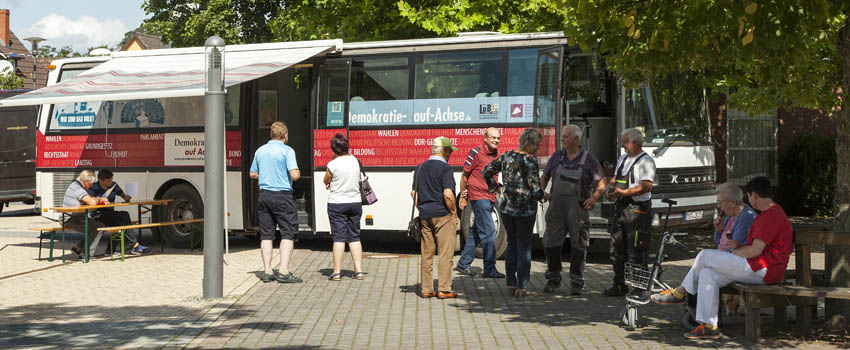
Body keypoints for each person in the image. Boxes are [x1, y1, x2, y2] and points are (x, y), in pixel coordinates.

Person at [651, 176, 793, 339]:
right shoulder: (768, 214)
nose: (748, 199)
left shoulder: (770, 215)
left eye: (748, 196)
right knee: (707, 274)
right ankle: (709, 325)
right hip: (758, 267)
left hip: (764, 269)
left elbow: (755, 251)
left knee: (704, 255)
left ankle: (680, 293)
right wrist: (738, 249)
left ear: (754, 195)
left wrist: (735, 252)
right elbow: (752, 249)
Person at [540, 125, 607, 295]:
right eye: (562, 136)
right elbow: (544, 176)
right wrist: (542, 191)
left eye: (566, 137)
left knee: (579, 246)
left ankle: (577, 282)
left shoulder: (589, 159)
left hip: (577, 209)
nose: (562, 140)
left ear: (576, 139)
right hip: (556, 209)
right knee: (550, 244)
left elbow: (602, 182)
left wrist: (593, 198)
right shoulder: (556, 156)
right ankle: (553, 279)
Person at [483, 128, 545, 297]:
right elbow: (534, 187)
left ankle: (510, 283)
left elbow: (486, 171)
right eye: (537, 144)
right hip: (525, 210)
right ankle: (522, 286)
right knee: (524, 246)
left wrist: (496, 188)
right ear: (530, 143)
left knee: (511, 244)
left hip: (506, 208)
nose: (538, 148)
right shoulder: (529, 161)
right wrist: (544, 196)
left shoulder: (506, 156)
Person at [603, 128, 657, 297]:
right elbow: (615, 178)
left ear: (635, 142)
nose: (622, 145)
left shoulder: (646, 161)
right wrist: (609, 188)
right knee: (616, 248)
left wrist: (624, 193)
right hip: (620, 208)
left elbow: (646, 186)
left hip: (638, 211)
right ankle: (619, 285)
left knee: (636, 249)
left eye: (625, 142)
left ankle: (640, 287)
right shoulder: (622, 158)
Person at [250, 121, 302, 284]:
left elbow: (252, 173)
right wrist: (297, 172)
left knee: (266, 234)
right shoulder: (287, 151)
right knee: (287, 233)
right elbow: (294, 175)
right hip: (283, 196)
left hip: (264, 196)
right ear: (285, 135)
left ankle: (267, 271)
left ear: (271, 135)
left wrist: (266, 175)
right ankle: (284, 271)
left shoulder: (260, 151)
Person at [412, 137, 459, 299]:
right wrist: (453, 211)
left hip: (425, 216)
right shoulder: (446, 169)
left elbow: (413, 193)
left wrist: (423, 208)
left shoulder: (420, 167)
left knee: (427, 255)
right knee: (445, 254)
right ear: (444, 151)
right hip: (442, 215)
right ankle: (444, 289)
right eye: (450, 151)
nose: (451, 154)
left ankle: (426, 289)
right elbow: (448, 194)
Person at [456, 127, 505, 279]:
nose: (496, 140)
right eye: (493, 138)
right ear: (485, 138)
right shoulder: (475, 153)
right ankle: (489, 269)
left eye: (498, 138)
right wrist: (463, 198)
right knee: (489, 231)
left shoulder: (496, 154)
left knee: (476, 232)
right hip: (478, 197)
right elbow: (465, 176)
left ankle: (463, 264)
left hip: (490, 197)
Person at [323, 134, 365, 281]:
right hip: (355, 203)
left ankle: (336, 272)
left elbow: (326, 179)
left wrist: (330, 181)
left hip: (337, 203)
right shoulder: (355, 161)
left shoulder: (332, 164)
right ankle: (358, 271)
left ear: (333, 149)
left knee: (339, 238)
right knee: (354, 236)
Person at [88, 169, 151, 255]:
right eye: (108, 181)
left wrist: (128, 197)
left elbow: (124, 197)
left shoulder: (114, 185)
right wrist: (100, 201)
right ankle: (135, 245)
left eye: (111, 180)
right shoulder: (93, 188)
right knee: (124, 215)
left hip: (110, 214)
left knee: (121, 223)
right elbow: (90, 206)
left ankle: (110, 250)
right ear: (101, 180)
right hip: (98, 216)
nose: (111, 182)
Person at [62, 170, 108, 259]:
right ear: (86, 181)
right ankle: (87, 254)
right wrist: (100, 199)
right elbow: (92, 202)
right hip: (69, 219)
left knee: (97, 226)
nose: (91, 185)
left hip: (76, 217)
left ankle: (78, 248)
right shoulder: (77, 188)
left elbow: (91, 203)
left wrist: (97, 200)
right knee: (98, 227)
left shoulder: (77, 186)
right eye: (90, 183)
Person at [713, 182, 757, 252]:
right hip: (724, 256)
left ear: (732, 202)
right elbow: (718, 242)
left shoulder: (746, 218)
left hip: (734, 258)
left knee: (703, 254)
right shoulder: (730, 214)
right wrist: (719, 231)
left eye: (720, 202)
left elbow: (733, 249)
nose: (718, 206)